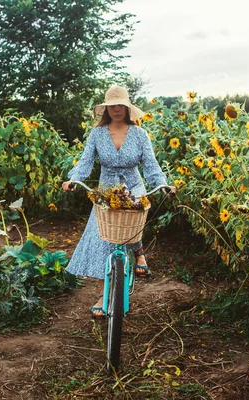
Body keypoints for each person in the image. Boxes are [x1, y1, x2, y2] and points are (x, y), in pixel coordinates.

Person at [62, 85, 177, 318]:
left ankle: (138, 254)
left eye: (120, 105)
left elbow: (151, 166)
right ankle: (106, 292)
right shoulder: (97, 134)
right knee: (107, 238)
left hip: (133, 187)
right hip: (107, 191)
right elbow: (85, 162)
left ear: (127, 108)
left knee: (129, 225)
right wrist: (73, 179)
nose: (116, 109)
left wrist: (163, 184)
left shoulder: (139, 134)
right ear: (106, 109)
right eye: (112, 106)